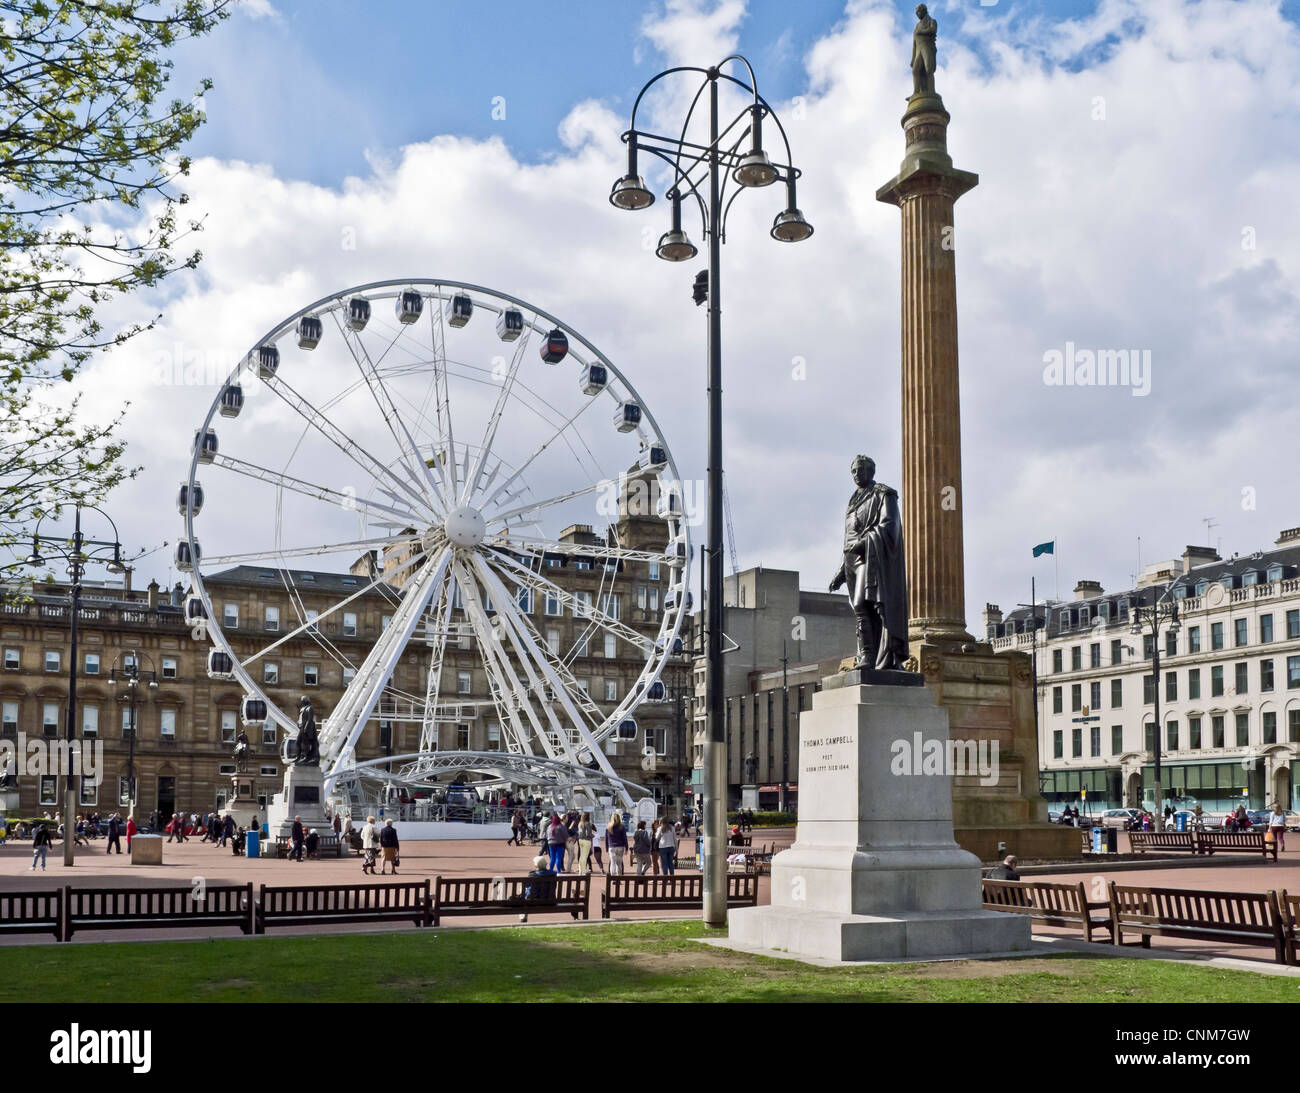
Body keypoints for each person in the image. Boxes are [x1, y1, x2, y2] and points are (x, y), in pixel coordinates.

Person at [520, 854, 557, 923]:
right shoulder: (553, 875)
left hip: (533, 902)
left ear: (536, 866)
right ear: (546, 865)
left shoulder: (532, 876)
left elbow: (529, 892)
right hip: (550, 901)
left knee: (523, 889)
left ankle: (523, 916)